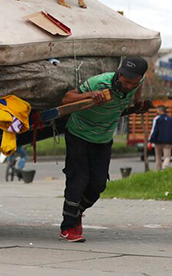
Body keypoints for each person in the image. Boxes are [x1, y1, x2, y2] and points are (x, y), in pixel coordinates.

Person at [58, 56, 150, 242]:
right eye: (126, 81)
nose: (129, 86)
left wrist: (137, 105)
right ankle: (68, 227)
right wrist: (89, 95)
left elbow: (134, 95)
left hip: (104, 138)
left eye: (134, 83)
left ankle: (77, 212)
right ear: (119, 73)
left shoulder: (137, 83)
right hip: (79, 134)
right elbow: (66, 98)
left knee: (98, 185)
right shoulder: (98, 83)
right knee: (78, 180)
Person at [149, 105, 172, 170]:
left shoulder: (157, 119)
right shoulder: (171, 120)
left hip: (158, 142)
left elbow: (154, 130)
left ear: (160, 111)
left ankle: (158, 170)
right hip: (168, 142)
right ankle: (165, 168)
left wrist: (151, 140)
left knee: (158, 157)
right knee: (167, 157)